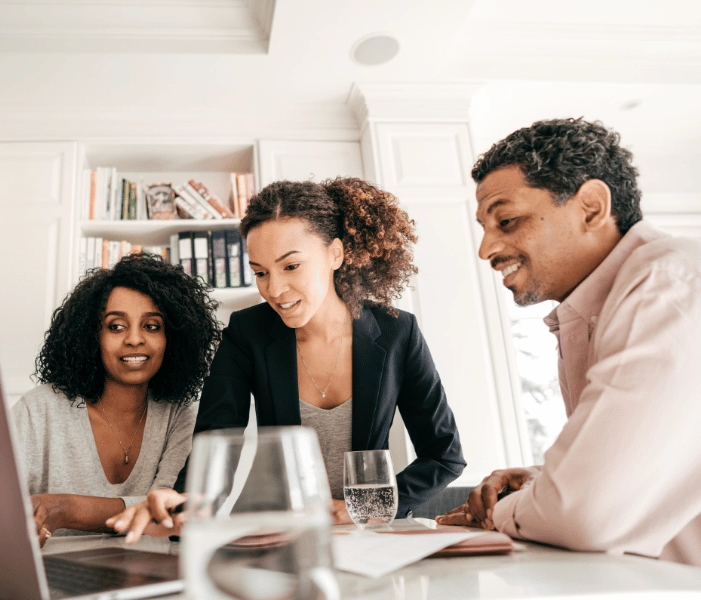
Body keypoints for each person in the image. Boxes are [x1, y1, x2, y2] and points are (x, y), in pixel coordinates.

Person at [109, 177, 466, 541]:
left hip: (368, 535)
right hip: (281, 534)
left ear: (335, 254)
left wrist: (369, 506)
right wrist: (183, 500)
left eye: (291, 266)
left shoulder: (396, 333)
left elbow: (444, 455)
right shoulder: (246, 333)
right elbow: (216, 442)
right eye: (260, 272)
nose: (274, 290)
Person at [436, 118, 701, 566]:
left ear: (593, 207)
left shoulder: (666, 284)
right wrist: (544, 483)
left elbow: (583, 514)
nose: (485, 249)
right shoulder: (590, 312)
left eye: (506, 219)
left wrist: (506, 510)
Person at [13, 253, 220, 546]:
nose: (134, 339)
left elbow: (166, 510)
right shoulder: (38, 411)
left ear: (173, 339)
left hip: (150, 576)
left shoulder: (181, 414)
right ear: (90, 336)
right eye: (116, 326)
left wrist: (63, 508)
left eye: (151, 326)